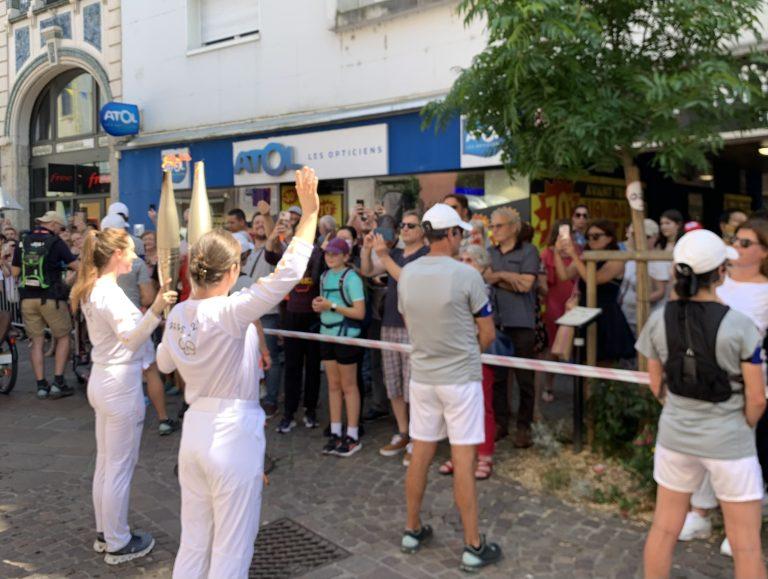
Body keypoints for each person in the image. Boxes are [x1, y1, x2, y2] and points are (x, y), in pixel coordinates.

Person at [157, 167, 318, 578]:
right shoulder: (228, 310)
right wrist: (310, 212)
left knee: (194, 543)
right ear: (230, 273)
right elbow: (287, 275)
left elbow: (162, 364)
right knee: (232, 550)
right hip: (232, 432)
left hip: (194, 433)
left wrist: (169, 319)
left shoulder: (180, 313)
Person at [636, 228, 766, 579]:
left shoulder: (659, 318)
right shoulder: (740, 325)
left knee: (663, 530)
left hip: (676, 435)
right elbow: (756, 397)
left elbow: (654, 382)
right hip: (729, 441)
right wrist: (742, 423)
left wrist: (678, 408)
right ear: (721, 272)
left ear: (678, 271)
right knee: (747, 546)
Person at [397, 203, 501, 572]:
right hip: (459, 379)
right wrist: (467, 350)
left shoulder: (407, 274)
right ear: (453, 234)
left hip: (423, 375)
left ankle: (412, 528)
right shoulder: (466, 275)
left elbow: (411, 324)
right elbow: (486, 333)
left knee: (421, 450)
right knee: (463, 459)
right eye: (460, 232)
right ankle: (473, 544)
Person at [70, 228, 177, 564]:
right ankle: (116, 541)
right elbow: (132, 338)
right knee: (118, 466)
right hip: (118, 384)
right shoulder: (107, 292)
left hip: (105, 380)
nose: (134, 256)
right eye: (130, 250)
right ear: (116, 254)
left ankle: (107, 532)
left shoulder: (95, 289)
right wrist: (157, 307)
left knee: (106, 463)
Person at [677, 218, 768, 557]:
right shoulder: (719, 283)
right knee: (705, 446)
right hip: (704, 374)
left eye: (747, 243)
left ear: (763, 252)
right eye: (736, 241)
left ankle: (740, 527)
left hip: (747, 378)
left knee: (743, 452)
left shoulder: (765, 290)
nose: (738, 248)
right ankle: (700, 512)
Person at [361, 210, 428, 464]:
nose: (405, 229)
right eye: (403, 225)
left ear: (423, 230)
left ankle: (418, 435)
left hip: (414, 326)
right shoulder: (396, 254)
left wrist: (382, 255)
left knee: (415, 385)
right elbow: (367, 271)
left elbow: (406, 277)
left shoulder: (426, 255)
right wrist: (367, 249)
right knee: (394, 383)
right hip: (389, 323)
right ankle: (403, 431)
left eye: (411, 225)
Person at [102, 214, 178, 436]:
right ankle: (163, 419)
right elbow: (147, 297)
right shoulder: (136, 263)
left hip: (108, 323)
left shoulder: (100, 263)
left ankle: (118, 417)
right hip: (133, 319)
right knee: (150, 369)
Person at [485, 207, 540, 447]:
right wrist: (510, 278)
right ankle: (501, 423)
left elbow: (527, 285)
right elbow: (486, 278)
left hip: (522, 323)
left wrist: (499, 276)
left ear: (513, 227)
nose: (494, 230)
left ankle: (524, 427)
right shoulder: (489, 252)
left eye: (499, 226)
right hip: (497, 322)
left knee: (525, 379)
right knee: (497, 378)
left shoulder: (529, 251)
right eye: (493, 226)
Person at [12, 211, 78, 399]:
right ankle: (58, 381)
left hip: (27, 299)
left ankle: (41, 385)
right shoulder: (56, 243)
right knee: (63, 336)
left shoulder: (23, 241)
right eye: (61, 226)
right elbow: (76, 266)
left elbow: (16, 272)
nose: (61, 230)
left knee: (37, 342)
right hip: (51, 298)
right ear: (54, 224)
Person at [312, 237, 366, 457]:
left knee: (349, 386)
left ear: (345, 256)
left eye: (335, 254)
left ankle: (352, 434)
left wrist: (331, 306)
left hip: (346, 337)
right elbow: (325, 305)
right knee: (333, 385)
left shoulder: (352, 278)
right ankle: (335, 431)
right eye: (328, 254)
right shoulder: (324, 277)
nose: (330, 257)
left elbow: (359, 312)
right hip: (327, 335)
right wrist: (319, 306)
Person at [555, 219, 636, 364]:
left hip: (606, 314)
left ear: (610, 237)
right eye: (588, 236)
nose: (591, 240)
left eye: (596, 236)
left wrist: (574, 255)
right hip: (585, 311)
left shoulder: (617, 258)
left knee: (604, 364)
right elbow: (564, 275)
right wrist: (557, 252)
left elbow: (593, 280)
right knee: (584, 362)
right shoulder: (586, 257)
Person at [539, 219, 578, 401]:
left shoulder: (577, 250)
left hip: (575, 300)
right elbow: (545, 283)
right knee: (553, 347)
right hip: (555, 301)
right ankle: (548, 385)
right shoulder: (547, 253)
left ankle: (581, 389)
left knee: (579, 345)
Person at [620, 219, 670, 336]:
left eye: (646, 236)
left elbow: (660, 292)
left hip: (645, 320)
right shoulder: (632, 256)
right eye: (634, 235)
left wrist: (640, 299)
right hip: (628, 317)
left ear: (655, 237)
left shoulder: (658, 260)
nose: (639, 239)